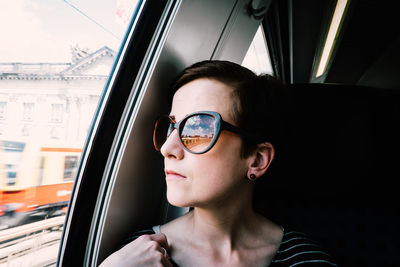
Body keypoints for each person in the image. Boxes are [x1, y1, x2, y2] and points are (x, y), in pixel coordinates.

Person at [99, 60, 337, 266]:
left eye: (198, 129)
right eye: (172, 127)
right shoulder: (137, 255)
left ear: (257, 159)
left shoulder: (305, 259)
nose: (167, 149)